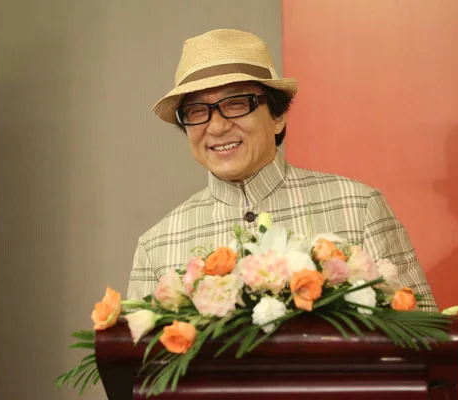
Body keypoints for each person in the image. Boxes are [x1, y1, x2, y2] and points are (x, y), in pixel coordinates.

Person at [126, 28, 437, 310]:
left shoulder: (358, 207)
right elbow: (139, 368)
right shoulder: (157, 245)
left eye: (236, 103)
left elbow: (423, 341)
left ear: (278, 116)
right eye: (197, 111)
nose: (217, 126)